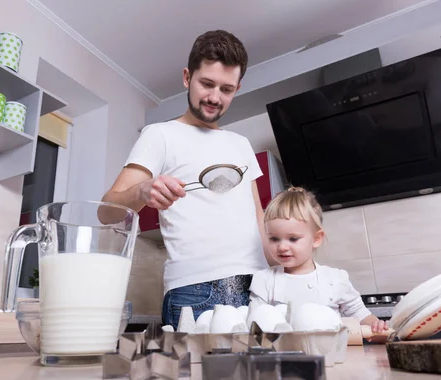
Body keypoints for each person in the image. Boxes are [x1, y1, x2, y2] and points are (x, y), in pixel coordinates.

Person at [101, 30, 274, 330]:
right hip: (195, 291)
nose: (214, 97)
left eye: (226, 89)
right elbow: (106, 211)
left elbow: (257, 216)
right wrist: (142, 191)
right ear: (187, 77)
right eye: (206, 83)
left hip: (257, 286)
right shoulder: (159, 135)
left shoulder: (241, 143)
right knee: (198, 378)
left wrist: (280, 273)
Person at [249, 186, 389, 333]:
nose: (282, 247)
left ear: (316, 239)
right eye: (274, 238)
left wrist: (377, 326)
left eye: (293, 239)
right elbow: (255, 326)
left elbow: (362, 317)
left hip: (332, 355)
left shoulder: (335, 280)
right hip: (282, 356)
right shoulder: (264, 280)